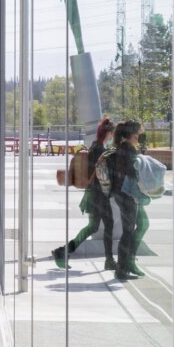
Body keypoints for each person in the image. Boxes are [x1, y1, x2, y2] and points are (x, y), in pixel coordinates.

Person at [54, 117, 116, 271]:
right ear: (108, 133)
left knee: (93, 227)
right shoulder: (100, 150)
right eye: (112, 134)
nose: (113, 137)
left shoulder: (96, 146)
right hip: (99, 195)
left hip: (94, 194)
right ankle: (109, 260)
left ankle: (62, 252)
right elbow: (102, 174)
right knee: (106, 225)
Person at [103, 120, 147, 281]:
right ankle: (122, 268)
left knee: (129, 230)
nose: (139, 137)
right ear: (132, 135)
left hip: (119, 193)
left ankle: (125, 265)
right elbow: (131, 172)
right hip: (127, 194)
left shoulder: (120, 147)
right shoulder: (128, 149)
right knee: (128, 232)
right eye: (138, 134)